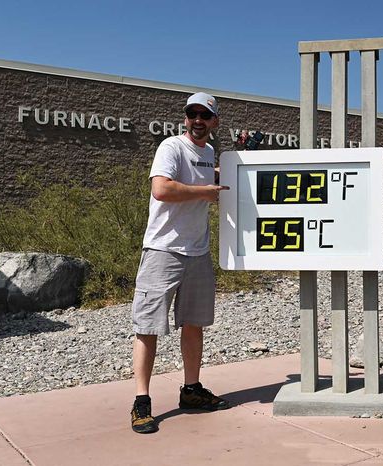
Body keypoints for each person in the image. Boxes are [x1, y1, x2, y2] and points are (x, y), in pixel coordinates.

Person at [130, 92, 231, 434]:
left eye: (205, 115)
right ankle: (141, 401)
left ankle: (191, 390)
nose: (198, 120)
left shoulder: (208, 153)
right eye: (193, 114)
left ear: (215, 121)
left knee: (193, 324)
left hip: (197, 252)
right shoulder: (171, 147)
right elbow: (161, 189)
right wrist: (205, 191)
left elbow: (209, 178)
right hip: (163, 251)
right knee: (148, 327)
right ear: (185, 118)